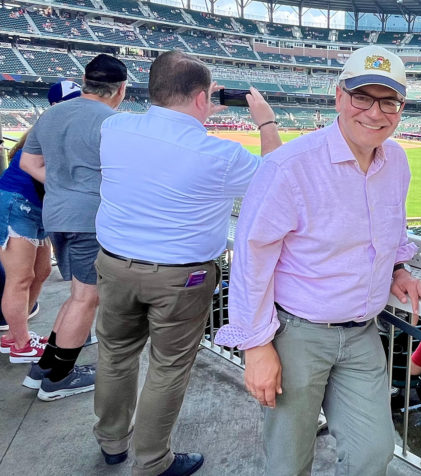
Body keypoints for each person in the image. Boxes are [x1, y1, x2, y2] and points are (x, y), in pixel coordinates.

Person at [214, 45, 421, 476]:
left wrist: (398, 269)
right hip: (296, 334)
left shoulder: (396, 161)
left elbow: (390, 228)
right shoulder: (289, 166)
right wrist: (256, 346)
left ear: (401, 108)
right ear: (339, 96)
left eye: (388, 101)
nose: (375, 112)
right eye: (362, 97)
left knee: (373, 452)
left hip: (362, 333)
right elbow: (252, 259)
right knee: (288, 460)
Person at [92, 51, 281, 476]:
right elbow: (276, 179)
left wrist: (196, 108)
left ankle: (111, 441)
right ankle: (152, 461)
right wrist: (266, 122)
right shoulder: (221, 155)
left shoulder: (114, 127)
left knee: (115, 354)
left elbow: (163, 137)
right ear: (202, 98)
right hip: (181, 278)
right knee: (168, 367)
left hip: (114, 265)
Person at [19, 54, 127, 401]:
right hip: (89, 218)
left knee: (79, 294)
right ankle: (59, 378)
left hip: (57, 215)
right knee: (87, 297)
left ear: (85, 82)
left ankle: (45, 367)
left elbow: (28, 162)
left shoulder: (51, 115)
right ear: (121, 89)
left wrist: (63, 187)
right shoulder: (113, 122)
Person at [0, 81, 78, 362]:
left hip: (36, 208)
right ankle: (20, 344)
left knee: (41, 271)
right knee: (20, 278)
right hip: (17, 205)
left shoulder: (55, 128)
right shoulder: (54, 130)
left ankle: (15, 335)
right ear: (56, 106)